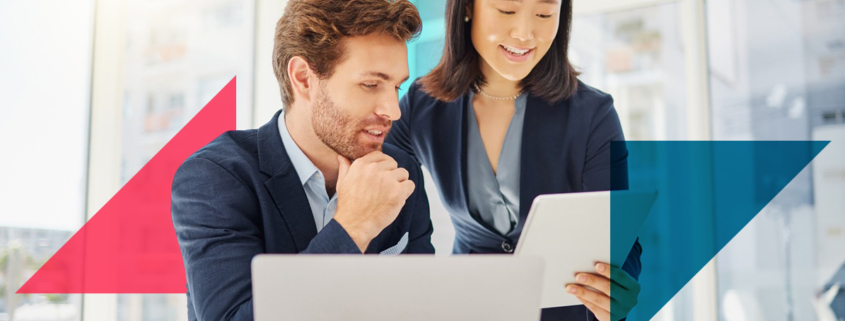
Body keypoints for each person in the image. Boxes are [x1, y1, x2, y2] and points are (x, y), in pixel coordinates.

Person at [171, 1, 433, 320]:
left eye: (396, 86)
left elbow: (420, 306)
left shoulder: (401, 172)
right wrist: (353, 227)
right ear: (303, 78)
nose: (393, 111)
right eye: (370, 85)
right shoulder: (216, 177)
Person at [385, 0, 641, 320]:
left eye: (544, 14)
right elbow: (393, 225)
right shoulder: (420, 107)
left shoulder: (594, 115)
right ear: (467, 8)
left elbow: (617, 237)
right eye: (507, 10)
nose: (524, 33)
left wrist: (617, 291)